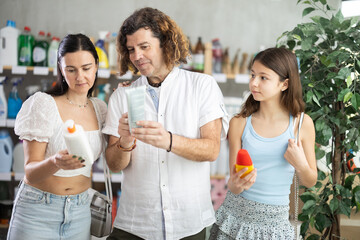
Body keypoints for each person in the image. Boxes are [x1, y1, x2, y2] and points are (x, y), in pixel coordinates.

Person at [102, 7, 229, 240]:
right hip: (135, 225)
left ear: (166, 44)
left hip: (189, 223)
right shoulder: (123, 96)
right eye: (131, 49)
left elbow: (212, 150)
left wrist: (168, 140)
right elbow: (114, 164)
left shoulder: (202, 86)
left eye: (144, 47)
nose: (136, 56)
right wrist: (125, 142)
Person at [209, 47, 317, 240]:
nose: (254, 83)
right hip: (235, 219)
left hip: (276, 226)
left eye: (263, 78)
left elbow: (310, 181)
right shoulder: (239, 123)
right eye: (252, 75)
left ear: (284, 84)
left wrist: (300, 164)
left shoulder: (302, 124)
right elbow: (233, 187)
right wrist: (237, 183)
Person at [7, 34, 107, 240]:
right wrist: (55, 162)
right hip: (38, 212)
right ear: (61, 69)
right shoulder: (43, 104)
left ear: (96, 66)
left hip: (80, 212)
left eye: (86, 68)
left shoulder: (100, 109)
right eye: (71, 70)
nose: (80, 77)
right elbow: (30, 172)